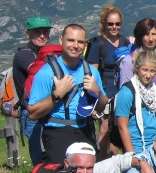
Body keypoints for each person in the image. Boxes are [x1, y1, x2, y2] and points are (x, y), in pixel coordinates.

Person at [27, 24, 109, 162]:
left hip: (86, 130)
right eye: (71, 40)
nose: (75, 45)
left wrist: (98, 93)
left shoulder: (91, 72)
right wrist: (56, 95)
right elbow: (33, 113)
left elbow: (101, 106)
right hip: (57, 133)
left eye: (80, 42)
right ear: (61, 40)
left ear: (85, 45)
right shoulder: (46, 73)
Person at [86, 6, 131, 158]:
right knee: (105, 129)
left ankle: (122, 161)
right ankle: (102, 161)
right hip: (105, 91)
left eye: (117, 24)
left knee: (122, 127)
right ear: (104, 24)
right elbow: (92, 73)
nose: (114, 27)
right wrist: (94, 97)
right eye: (110, 24)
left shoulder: (124, 41)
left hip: (123, 91)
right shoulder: (98, 44)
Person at [12, 15, 52, 165]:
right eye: (37, 32)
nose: (42, 36)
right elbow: (38, 72)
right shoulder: (23, 55)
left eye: (45, 32)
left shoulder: (48, 53)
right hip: (33, 112)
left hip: (48, 108)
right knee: (41, 158)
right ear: (27, 33)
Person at [119, 18, 156, 111]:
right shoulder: (129, 61)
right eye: (146, 34)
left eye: (153, 34)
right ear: (140, 37)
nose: (151, 39)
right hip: (138, 112)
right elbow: (124, 92)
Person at [114, 50, 156, 154]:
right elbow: (122, 126)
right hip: (137, 147)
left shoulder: (153, 89)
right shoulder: (126, 92)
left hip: (155, 145)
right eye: (145, 70)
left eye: (152, 71)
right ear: (137, 68)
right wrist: (132, 154)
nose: (148, 75)